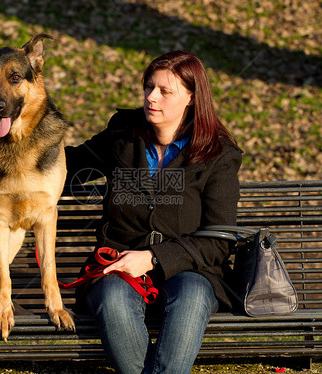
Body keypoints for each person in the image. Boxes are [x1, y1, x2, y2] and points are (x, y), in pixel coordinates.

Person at [65, 51, 242, 374]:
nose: (151, 97)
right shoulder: (123, 135)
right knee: (113, 300)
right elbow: (67, 165)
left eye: (165, 91)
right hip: (116, 264)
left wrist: (153, 257)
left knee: (191, 297)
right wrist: (10, 145)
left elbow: (219, 240)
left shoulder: (218, 153)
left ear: (191, 97)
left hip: (194, 271)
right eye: (148, 87)